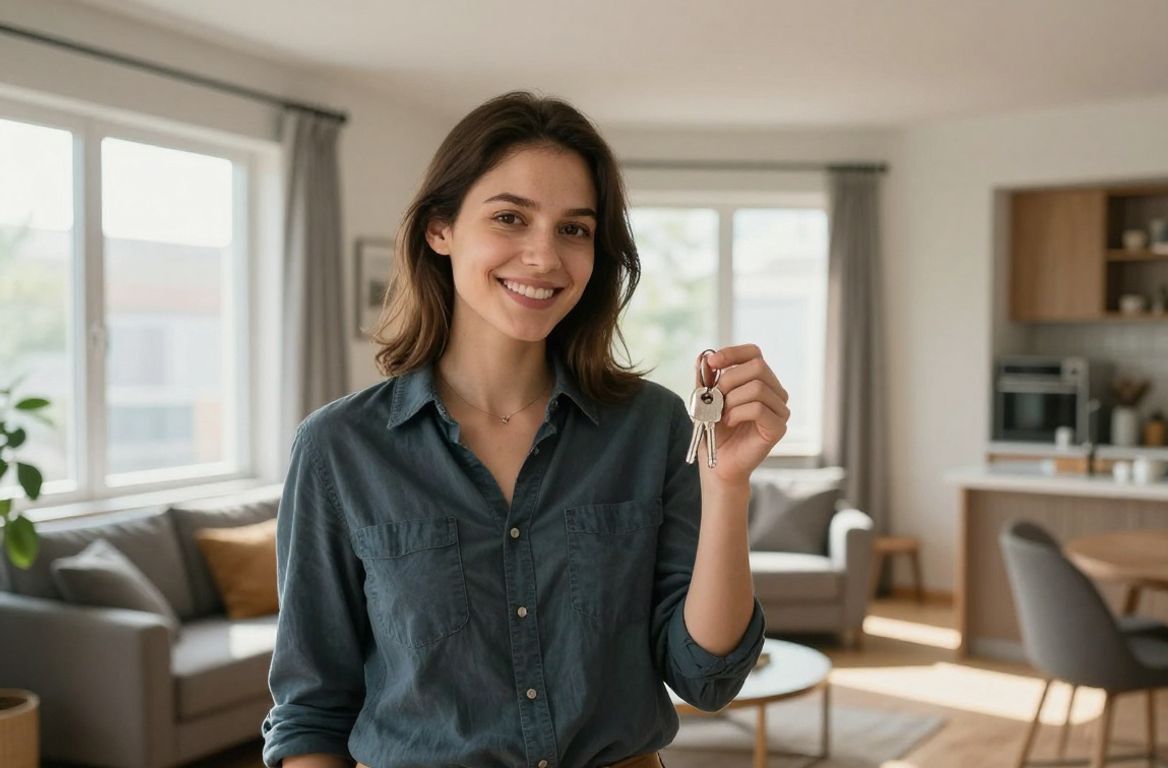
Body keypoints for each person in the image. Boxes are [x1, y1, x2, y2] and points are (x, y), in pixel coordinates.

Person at [261, 91, 791, 768]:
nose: (544, 256)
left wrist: (728, 488)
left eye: (574, 229)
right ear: (439, 229)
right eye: (511, 217)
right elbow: (310, 711)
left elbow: (706, 677)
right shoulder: (339, 449)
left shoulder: (653, 427)